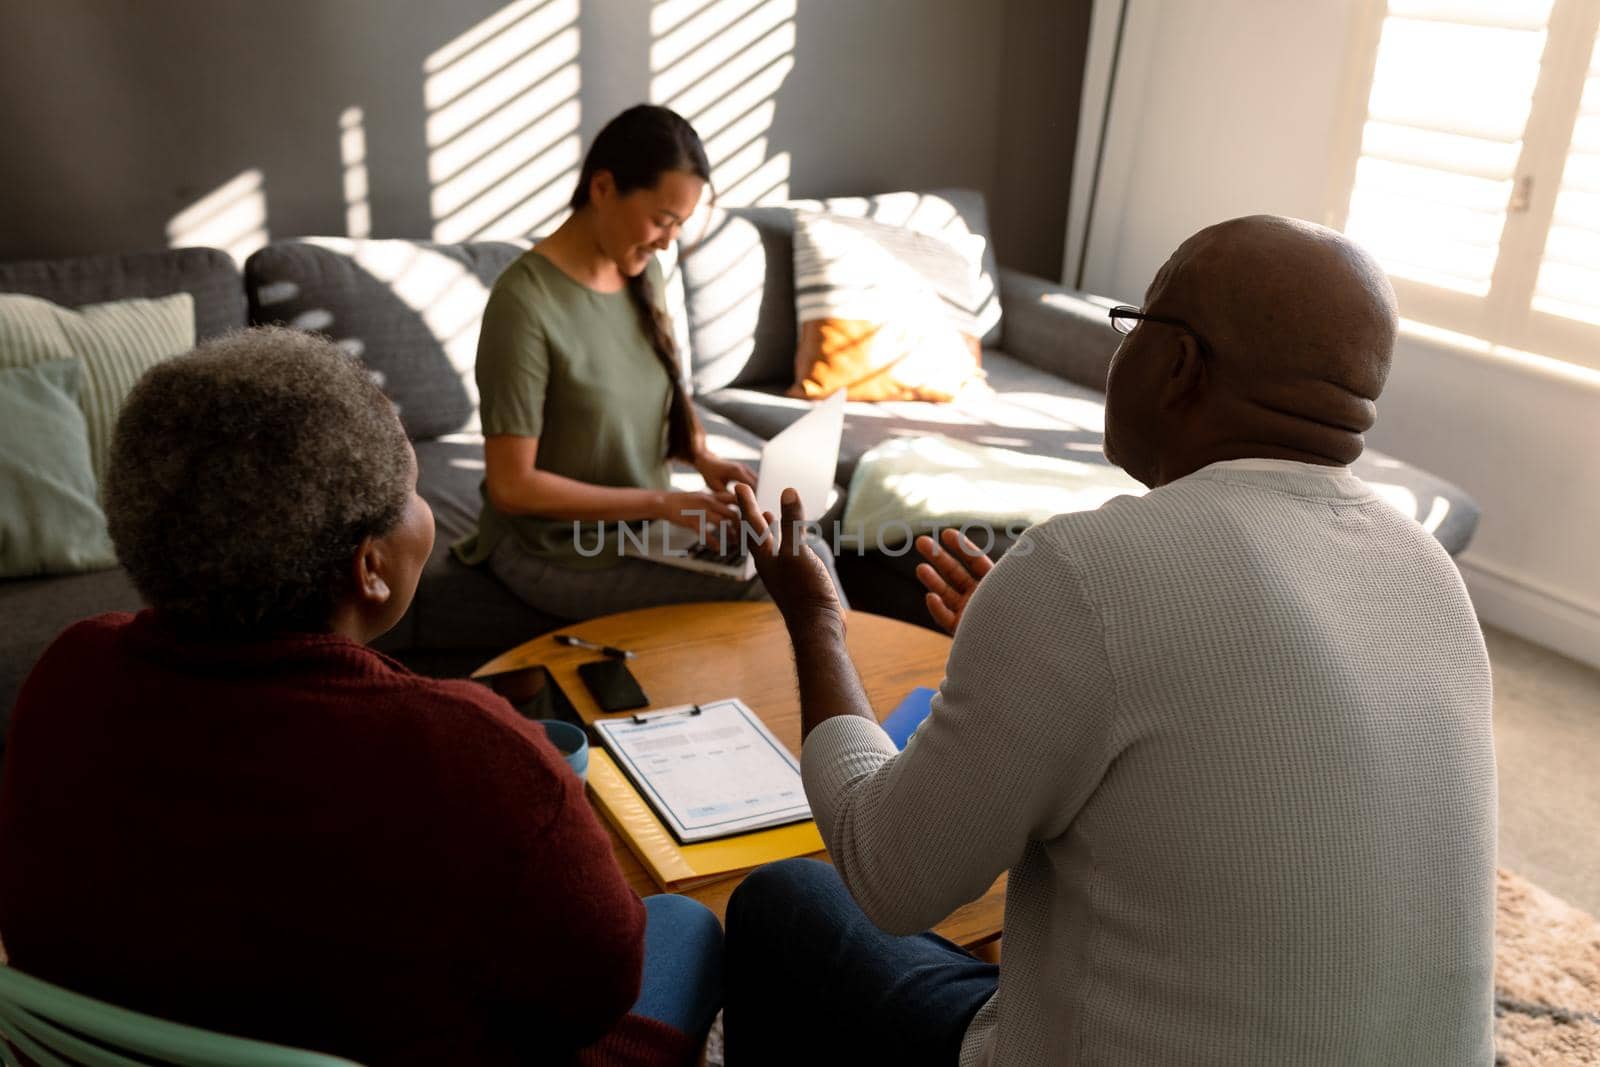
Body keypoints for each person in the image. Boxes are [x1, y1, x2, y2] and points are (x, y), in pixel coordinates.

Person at [721, 216, 1497, 1065]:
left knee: (788, 899)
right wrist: (1036, 641)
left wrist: (816, 617)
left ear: (1179, 365)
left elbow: (891, 874)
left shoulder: (1087, 571)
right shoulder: (1432, 574)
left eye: (1130, 323)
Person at [0, 327, 722, 1067]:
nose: (424, 502)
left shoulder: (70, 669)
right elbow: (597, 990)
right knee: (684, 926)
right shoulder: (477, 754)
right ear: (370, 567)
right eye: (410, 490)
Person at [455, 103, 783, 619]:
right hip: (558, 549)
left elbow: (663, 387)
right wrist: (663, 504)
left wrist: (702, 457)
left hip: (641, 534)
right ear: (603, 188)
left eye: (680, 225)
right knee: (779, 589)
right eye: (662, 219)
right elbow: (511, 487)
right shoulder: (524, 303)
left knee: (805, 559)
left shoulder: (639, 270)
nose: (669, 240)